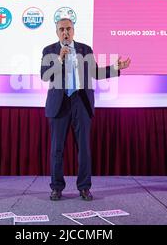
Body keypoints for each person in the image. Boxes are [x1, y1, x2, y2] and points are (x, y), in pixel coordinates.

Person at [41, 18, 131, 201]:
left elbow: (95, 73)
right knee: (57, 149)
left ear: (73, 30)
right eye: (61, 30)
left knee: (83, 148)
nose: (65, 32)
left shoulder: (85, 49)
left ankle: (84, 187)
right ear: (56, 32)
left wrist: (115, 67)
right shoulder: (49, 50)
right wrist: (59, 58)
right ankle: (57, 188)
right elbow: (44, 76)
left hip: (81, 102)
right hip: (59, 103)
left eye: (68, 29)